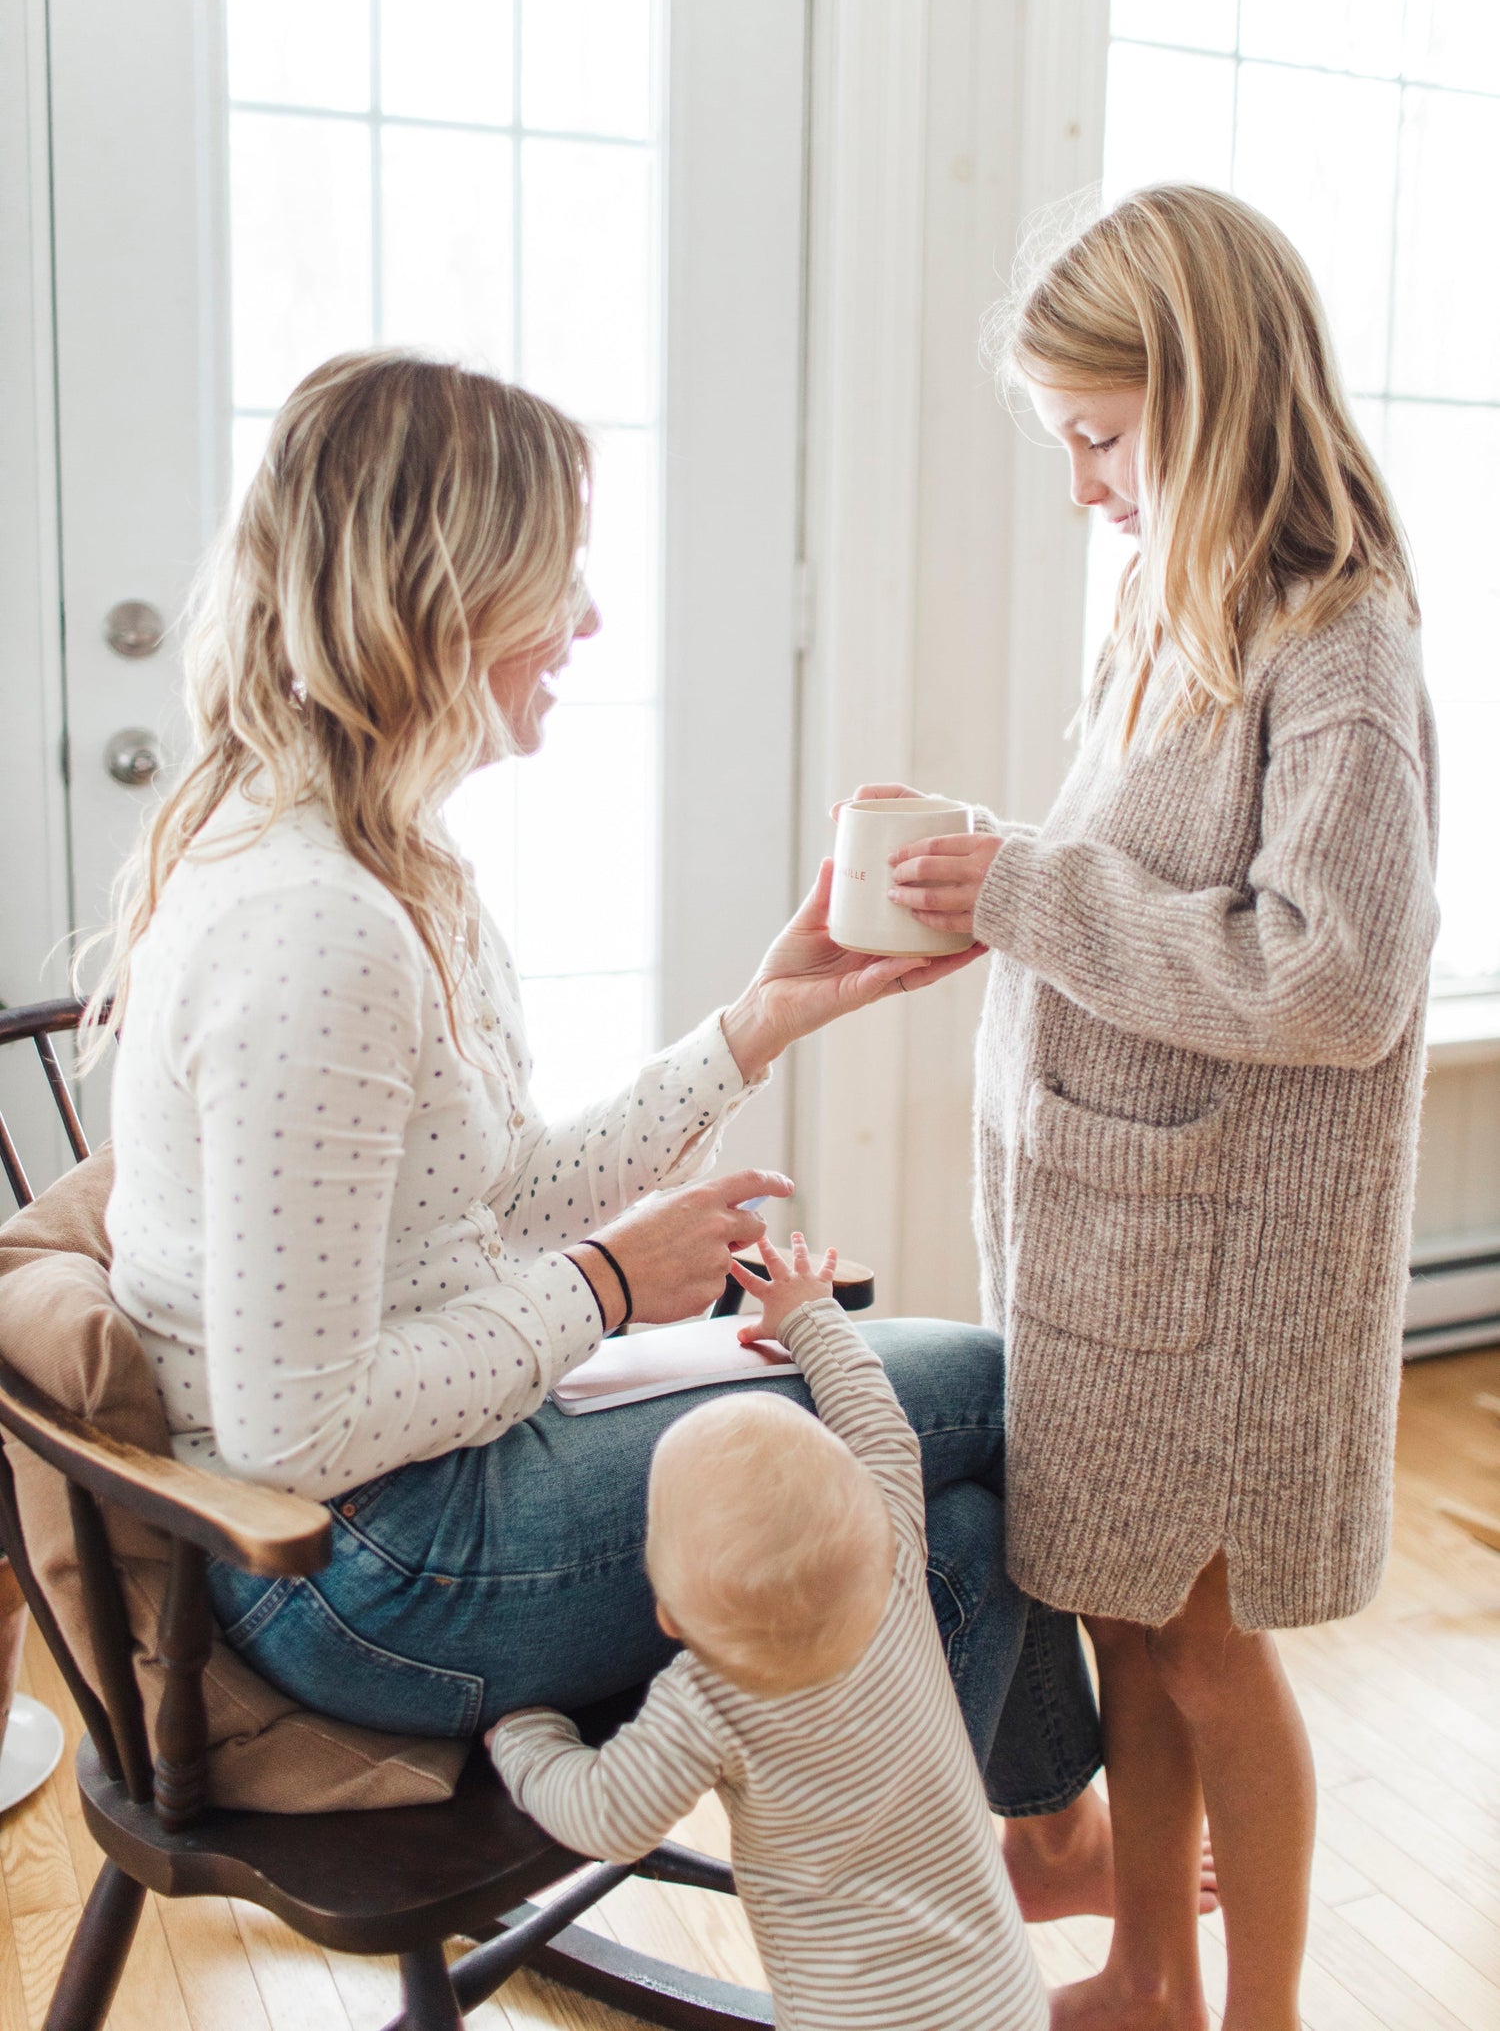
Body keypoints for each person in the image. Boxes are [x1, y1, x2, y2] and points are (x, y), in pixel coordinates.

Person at [83, 347, 1107, 1906]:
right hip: (354, 1569)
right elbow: (299, 1431)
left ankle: (965, 1888)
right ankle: (954, 1892)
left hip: (421, 1483)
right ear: (445, 593)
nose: (591, 619)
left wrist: (760, 1018)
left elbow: (490, 1197)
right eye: (560, 572)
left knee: (951, 1529)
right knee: (984, 1389)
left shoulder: (387, 857)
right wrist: (611, 1287)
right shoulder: (315, 927)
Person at [877, 185, 1438, 2030]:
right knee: (1125, 1613)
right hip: (1115, 1242)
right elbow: (1139, 871)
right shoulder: (1164, 602)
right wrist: (995, 883)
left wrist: (1030, 892)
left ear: (1208, 396)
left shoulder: (1337, 642)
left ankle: (1255, 2013)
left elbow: (1335, 975)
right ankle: (1147, 1975)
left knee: (1204, 1640)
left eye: (1102, 439)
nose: (1084, 487)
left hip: (1224, 1268)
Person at [490, 1233, 1049, 2031]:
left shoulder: (708, 1697)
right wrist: (809, 1316)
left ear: (667, 1614)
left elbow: (608, 1817)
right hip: (1004, 2000)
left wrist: (524, 1736)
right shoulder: (892, 1567)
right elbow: (879, 1426)